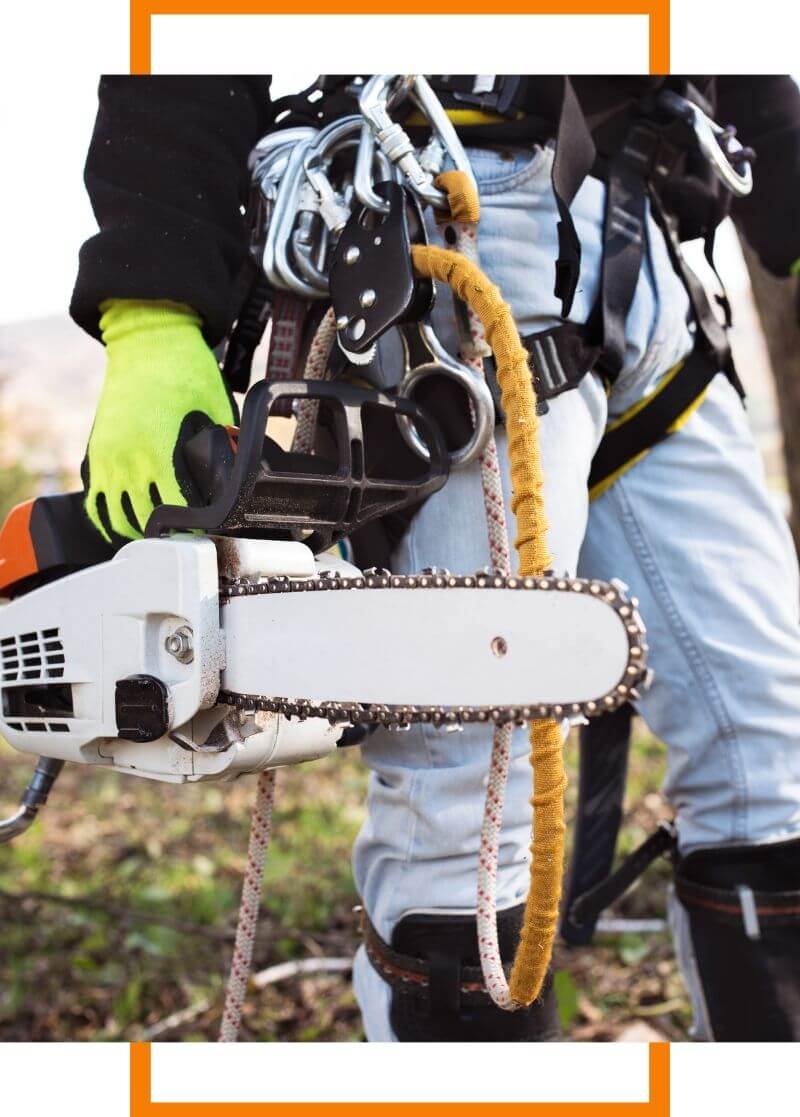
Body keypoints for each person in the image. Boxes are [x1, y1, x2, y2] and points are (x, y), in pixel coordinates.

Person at [71, 75, 800, 1042]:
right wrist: (151, 307)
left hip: (644, 226)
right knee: (464, 829)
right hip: (447, 220)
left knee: (774, 760)